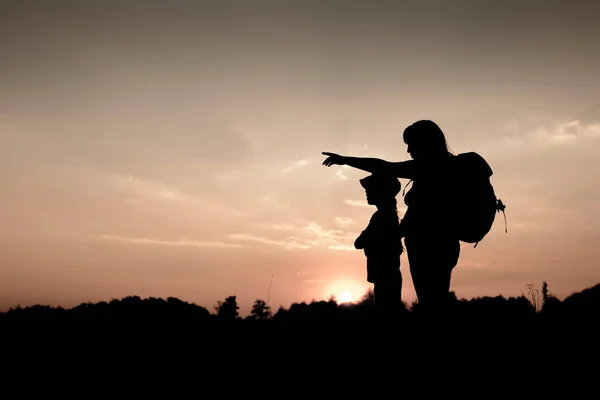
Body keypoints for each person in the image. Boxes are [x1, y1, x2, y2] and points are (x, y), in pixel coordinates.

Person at [323, 120, 460, 317]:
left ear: (426, 143)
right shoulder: (442, 167)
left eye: (411, 144)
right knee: (433, 301)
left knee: (432, 304)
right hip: (439, 245)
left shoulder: (431, 169)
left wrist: (345, 160)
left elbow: (384, 167)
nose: (409, 150)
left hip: (430, 246)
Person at [353, 173, 404, 320]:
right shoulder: (388, 215)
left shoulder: (380, 217)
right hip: (388, 276)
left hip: (385, 278)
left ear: (381, 192)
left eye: (371, 189)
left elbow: (359, 243)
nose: (366, 192)